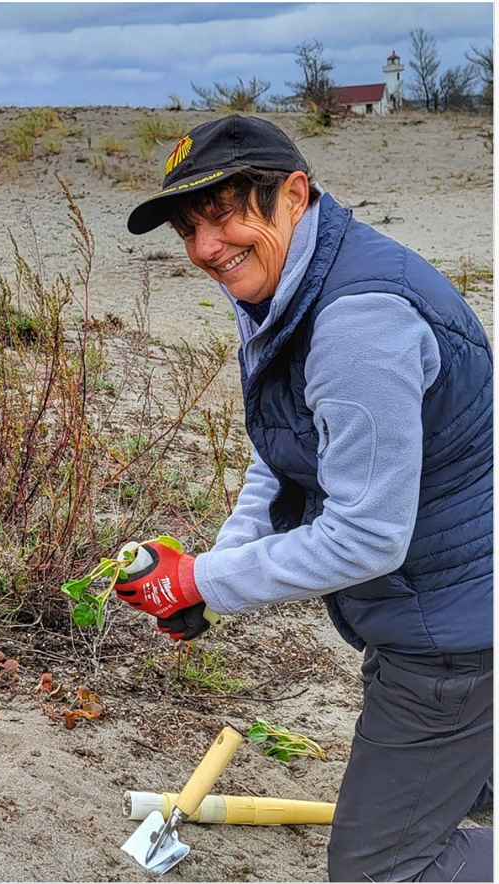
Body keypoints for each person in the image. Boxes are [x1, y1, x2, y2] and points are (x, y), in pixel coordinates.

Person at [117, 114, 493, 882]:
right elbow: (287, 450)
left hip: (456, 636)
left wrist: (197, 581)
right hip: (451, 603)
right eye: (189, 227)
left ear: (293, 193)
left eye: (223, 213)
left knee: (381, 868)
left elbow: (364, 538)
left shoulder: (355, 322)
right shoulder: (286, 282)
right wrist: (221, 572)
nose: (204, 248)